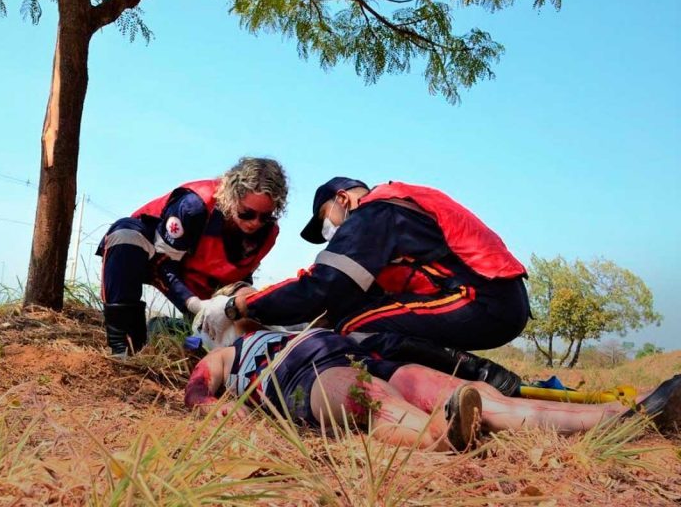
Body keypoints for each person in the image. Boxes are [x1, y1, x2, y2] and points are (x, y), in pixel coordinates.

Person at [199, 177, 530, 395]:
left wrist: (238, 305)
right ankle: (457, 380)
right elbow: (346, 303)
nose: (328, 232)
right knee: (360, 323)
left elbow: (319, 289)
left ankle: (483, 377)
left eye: (324, 220)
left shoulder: (374, 215)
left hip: (479, 298)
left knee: (355, 329)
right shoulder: (393, 218)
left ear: (342, 199)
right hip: (494, 299)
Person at [185, 321, 681, 450]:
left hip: (357, 356)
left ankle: (622, 422)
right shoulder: (229, 350)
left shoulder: (294, 321)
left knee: (473, 395)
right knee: (362, 396)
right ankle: (441, 437)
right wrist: (220, 410)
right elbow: (199, 391)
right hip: (300, 379)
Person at [96, 157, 288, 356]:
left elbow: (239, 280)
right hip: (157, 256)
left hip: (200, 277)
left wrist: (228, 308)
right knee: (125, 237)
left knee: (237, 312)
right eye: (247, 213)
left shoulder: (268, 234)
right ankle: (124, 346)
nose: (255, 223)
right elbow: (161, 264)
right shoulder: (194, 205)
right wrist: (193, 304)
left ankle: (170, 327)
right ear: (232, 198)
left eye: (265, 217)